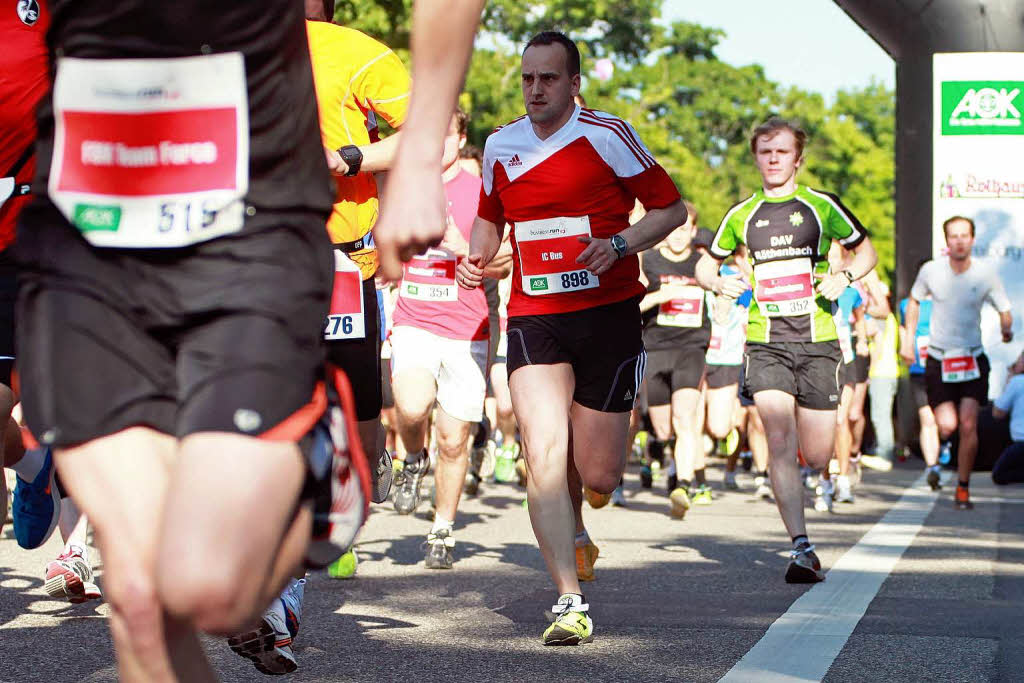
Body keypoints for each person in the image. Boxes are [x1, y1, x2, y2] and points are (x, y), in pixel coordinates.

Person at [17, 3, 371, 681]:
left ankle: (316, 451)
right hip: (89, 215)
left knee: (216, 594)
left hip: (248, 210)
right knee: (143, 593)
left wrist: (415, 158)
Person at [457, 31, 684, 645]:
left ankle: (584, 517)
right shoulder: (501, 144)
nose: (536, 88)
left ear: (574, 83)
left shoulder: (607, 135)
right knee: (542, 453)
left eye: (549, 78)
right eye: (528, 78)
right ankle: (568, 600)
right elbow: (489, 214)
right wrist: (478, 257)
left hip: (608, 315)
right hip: (537, 317)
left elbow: (671, 211)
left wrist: (618, 245)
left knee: (600, 473)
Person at [696, 117, 877, 583]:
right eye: (764, 151)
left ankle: (817, 475)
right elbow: (704, 263)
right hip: (767, 340)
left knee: (815, 454)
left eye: (781, 152)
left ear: (798, 158)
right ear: (755, 157)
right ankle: (801, 547)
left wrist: (846, 276)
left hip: (818, 341)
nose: (773, 159)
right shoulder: (742, 214)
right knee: (778, 435)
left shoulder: (821, 206)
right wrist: (716, 281)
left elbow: (867, 251)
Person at [389, 109, 511, 568]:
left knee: (456, 438)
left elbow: (506, 261)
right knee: (413, 404)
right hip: (415, 318)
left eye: (445, 135)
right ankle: (413, 459)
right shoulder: (403, 185)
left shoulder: (482, 191)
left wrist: (467, 251)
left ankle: (442, 529)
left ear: (460, 139)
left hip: (466, 328)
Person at [902, 215, 1014, 510]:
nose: (960, 241)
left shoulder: (984, 274)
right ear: (946, 241)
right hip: (939, 358)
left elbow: (1004, 308)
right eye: (954, 236)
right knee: (947, 425)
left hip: (972, 358)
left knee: (967, 424)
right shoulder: (931, 271)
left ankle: (962, 488)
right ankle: (944, 453)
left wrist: (1006, 328)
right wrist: (907, 338)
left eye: (965, 235)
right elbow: (914, 301)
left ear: (972, 240)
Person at [639, 202, 713, 516]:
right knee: (663, 429)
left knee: (685, 418)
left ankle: (683, 484)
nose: (679, 236)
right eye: (673, 230)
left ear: (694, 231)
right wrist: (660, 296)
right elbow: (633, 306)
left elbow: (723, 289)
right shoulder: (650, 261)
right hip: (655, 348)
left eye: (685, 230)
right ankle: (668, 458)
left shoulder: (703, 263)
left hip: (691, 349)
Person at [899, 274, 942, 489]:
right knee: (927, 419)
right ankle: (931, 465)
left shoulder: (943, 302)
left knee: (943, 420)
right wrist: (904, 348)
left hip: (943, 367)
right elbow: (903, 329)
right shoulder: (906, 305)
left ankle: (945, 449)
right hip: (919, 368)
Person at [992, 352, 1024, 485]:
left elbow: (997, 413)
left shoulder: (1017, 382)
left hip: (1021, 444)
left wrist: (1008, 382)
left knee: (999, 475)